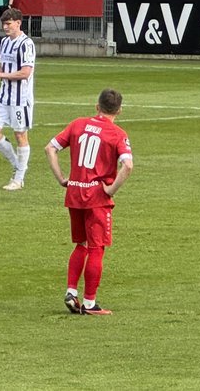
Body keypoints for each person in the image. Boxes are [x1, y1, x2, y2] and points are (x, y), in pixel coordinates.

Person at [45, 88, 134, 317]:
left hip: (74, 192)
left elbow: (50, 148)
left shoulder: (78, 124)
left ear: (97, 106)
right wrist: (111, 189)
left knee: (81, 245)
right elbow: (128, 165)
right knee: (96, 248)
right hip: (96, 197)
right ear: (120, 110)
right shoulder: (117, 133)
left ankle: (71, 291)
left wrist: (62, 179)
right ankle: (90, 303)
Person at [0, 7, 35, 191]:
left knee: (20, 135)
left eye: (9, 23)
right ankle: (18, 166)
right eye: (4, 24)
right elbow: (3, 65)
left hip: (20, 99)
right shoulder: (4, 42)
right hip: (3, 96)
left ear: (18, 23)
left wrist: (0, 75)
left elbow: (26, 72)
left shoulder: (26, 44)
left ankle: (18, 179)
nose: (5, 27)